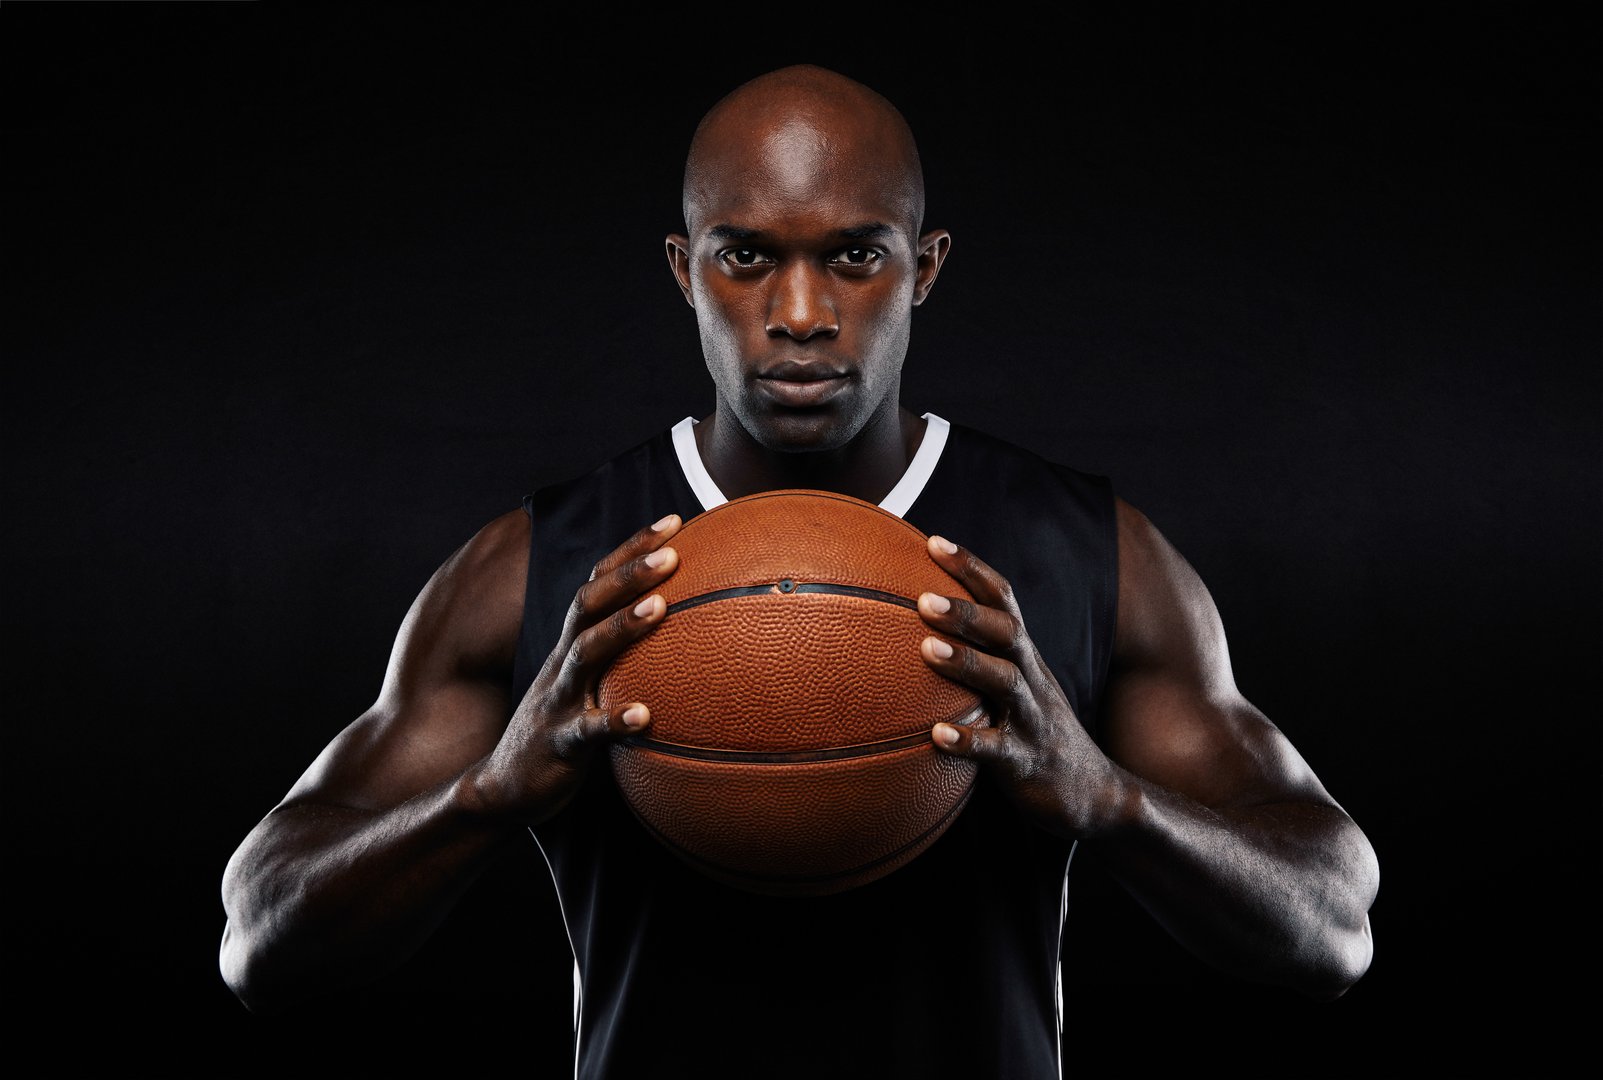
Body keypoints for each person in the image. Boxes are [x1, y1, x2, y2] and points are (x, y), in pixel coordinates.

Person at [219, 64, 1378, 1077]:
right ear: (685, 269)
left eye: (855, 256)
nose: (802, 313)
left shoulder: (1088, 552)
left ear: (923, 267)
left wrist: (1108, 798)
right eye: (746, 258)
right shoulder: (541, 569)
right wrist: (488, 793)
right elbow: (258, 942)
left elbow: (1333, 928)